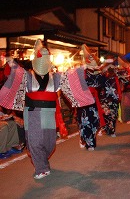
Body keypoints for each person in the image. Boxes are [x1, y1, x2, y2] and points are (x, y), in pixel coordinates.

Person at [0, 40, 94, 179]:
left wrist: (84, 65)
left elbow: (72, 75)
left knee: (49, 143)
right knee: (35, 141)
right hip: (32, 113)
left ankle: (42, 162)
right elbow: (15, 71)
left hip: (49, 114)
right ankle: (41, 168)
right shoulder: (27, 76)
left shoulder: (55, 77)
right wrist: (9, 60)